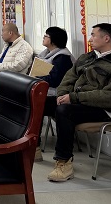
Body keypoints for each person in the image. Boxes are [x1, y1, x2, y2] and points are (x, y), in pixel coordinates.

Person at [48, 23, 111, 182]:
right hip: (79, 102)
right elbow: (69, 78)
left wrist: (73, 98)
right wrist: (63, 94)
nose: (90, 38)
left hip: (104, 110)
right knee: (40, 102)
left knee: (64, 111)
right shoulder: (87, 57)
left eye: (93, 35)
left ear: (106, 38)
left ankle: (64, 163)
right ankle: (32, 147)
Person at [34, 26, 74, 162]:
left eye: (46, 36)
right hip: (46, 92)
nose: (43, 37)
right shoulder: (46, 53)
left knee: (35, 104)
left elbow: (55, 80)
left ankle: (35, 146)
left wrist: (36, 78)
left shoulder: (63, 57)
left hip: (57, 95)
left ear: (54, 40)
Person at [0, 23, 33, 92]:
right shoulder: (8, 45)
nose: (1, 35)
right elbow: (1, 60)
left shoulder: (24, 47)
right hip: (0, 73)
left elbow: (17, 66)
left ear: (10, 33)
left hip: (10, 78)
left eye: (3, 31)